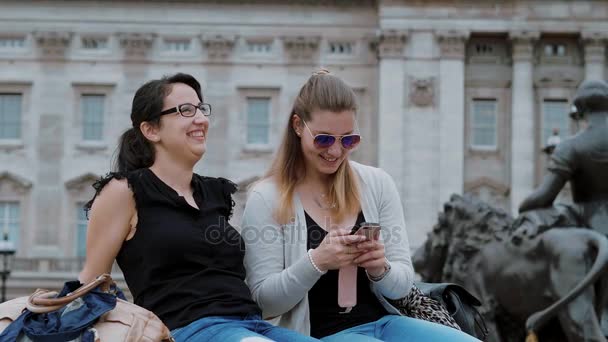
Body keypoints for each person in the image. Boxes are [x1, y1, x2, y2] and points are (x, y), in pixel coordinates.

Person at [241, 69, 479, 341]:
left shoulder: (377, 184)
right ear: (297, 126)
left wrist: (381, 269)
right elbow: (264, 302)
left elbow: (403, 285)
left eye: (348, 140)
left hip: (387, 322)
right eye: (324, 139)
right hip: (319, 334)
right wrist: (317, 261)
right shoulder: (266, 197)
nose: (335, 151)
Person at [79, 73, 318, 342]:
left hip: (251, 324)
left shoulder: (214, 193)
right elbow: (91, 282)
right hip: (188, 329)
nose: (201, 119)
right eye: (185, 110)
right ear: (151, 130)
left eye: (202, 109)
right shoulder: (124, 191)